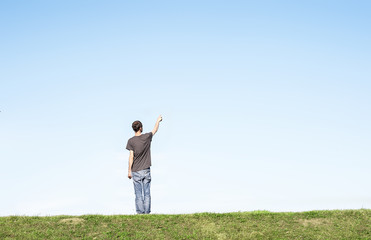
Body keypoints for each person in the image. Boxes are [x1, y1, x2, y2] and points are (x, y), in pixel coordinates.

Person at [126, 115, 162, 214]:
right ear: (141, 128)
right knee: (147, 193)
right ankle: (147, 213)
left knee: (138, 194)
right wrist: (158, 120)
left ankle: (140, 213)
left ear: (133, 129)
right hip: (146, 169)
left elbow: (131, 157)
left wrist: (129, 171)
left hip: (136, 170)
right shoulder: (146, 137)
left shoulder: (131, 141)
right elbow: (155, 130)